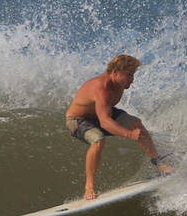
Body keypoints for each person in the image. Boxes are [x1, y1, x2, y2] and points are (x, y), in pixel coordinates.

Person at [65, 54, 173, 199]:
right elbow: (104, 122)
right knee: (98, 139)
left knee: (136, 123)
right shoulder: (102, 88)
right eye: (129, 75)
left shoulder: (119, 83)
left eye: (133, 75)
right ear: (115, 72)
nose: (132, 79)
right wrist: (129, 134)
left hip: (100, 114)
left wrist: (131, 130)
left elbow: (104, 115)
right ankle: (89, 186)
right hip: (78, 120)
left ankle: (160, 164)